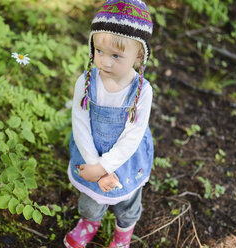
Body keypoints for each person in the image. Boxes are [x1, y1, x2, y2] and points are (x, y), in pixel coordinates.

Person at [64, 0, 154, 247]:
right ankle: (89, 223)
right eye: (99, 51)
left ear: (138, 55)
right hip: (90, 151)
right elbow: (80, 124)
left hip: (126, 158)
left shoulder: (142, 91)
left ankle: (123, 234)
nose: (105, 62)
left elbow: (133, 137)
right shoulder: (85, 81)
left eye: (116, 55)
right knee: (90, 199)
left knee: (127, 200)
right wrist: (93, 165)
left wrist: (104, 167)